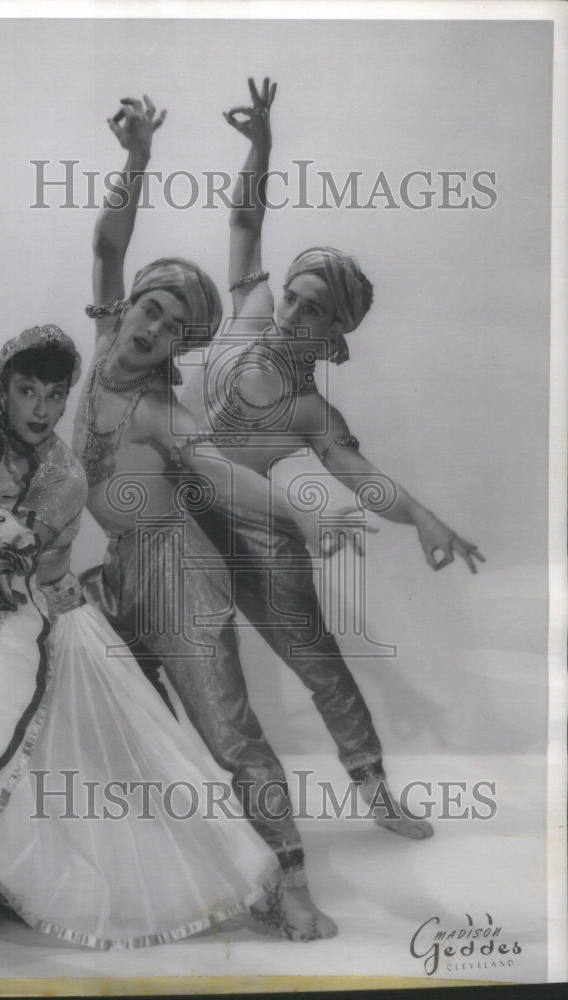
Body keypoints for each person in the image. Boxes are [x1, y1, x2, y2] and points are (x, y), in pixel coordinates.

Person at [0, 325, 284, 949]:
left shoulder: (64, 474)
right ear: (4, 388)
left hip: (42, 621)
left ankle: (242, 874)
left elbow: (17, 559)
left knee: (81, 756)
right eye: (27, 390)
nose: (42, 409)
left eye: (55, 394)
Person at [74, 96, 349, 941]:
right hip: (119, 570)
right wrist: (137, 158)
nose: (152, 327)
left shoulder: (160, 411)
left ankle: (289, 880)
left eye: (175, 327)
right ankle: (136, 865)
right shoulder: (99, 347)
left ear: (184, 349)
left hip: (179, 573)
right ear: (127, 307)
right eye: (150, 307)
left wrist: (308, 512)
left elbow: (224, 474)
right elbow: (106, 243)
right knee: (77, 690)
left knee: (226, 729)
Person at [180, 78, 485, 836]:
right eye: (294, 295)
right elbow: (244, 219)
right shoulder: (247, 315)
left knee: (319, 662)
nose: (293, 311)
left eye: (314, 308)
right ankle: (156, 804)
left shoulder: (314, 412)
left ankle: (375, 793)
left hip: (255, 529)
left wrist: (424, 520)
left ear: (333, 337)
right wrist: (261, 144)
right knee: (142, 649)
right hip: (173, 515)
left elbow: (362, 480)